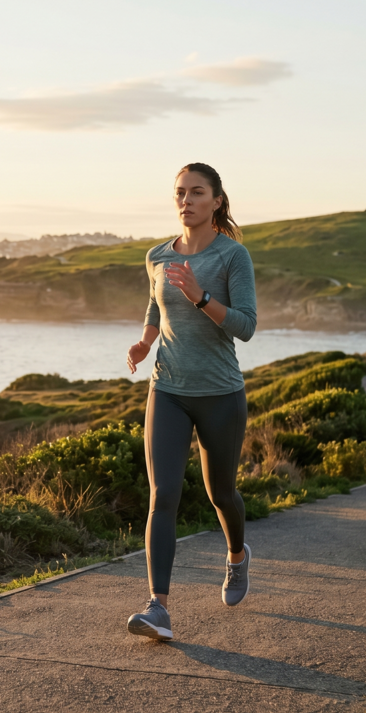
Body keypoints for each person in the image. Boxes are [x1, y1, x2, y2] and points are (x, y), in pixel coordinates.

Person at [124, 162, 257, 642]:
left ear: (217, 200)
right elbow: (155, 305)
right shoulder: (157, 255)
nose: (186, 200)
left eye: (197, 192)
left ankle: (237, 556)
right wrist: (145, 341)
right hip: (169, 389)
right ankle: (158, 607)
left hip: (221, 393)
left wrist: (202, 297)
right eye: (180, 192)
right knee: (163, 497)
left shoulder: (231, 257)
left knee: (221, 492)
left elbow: (245, 325)